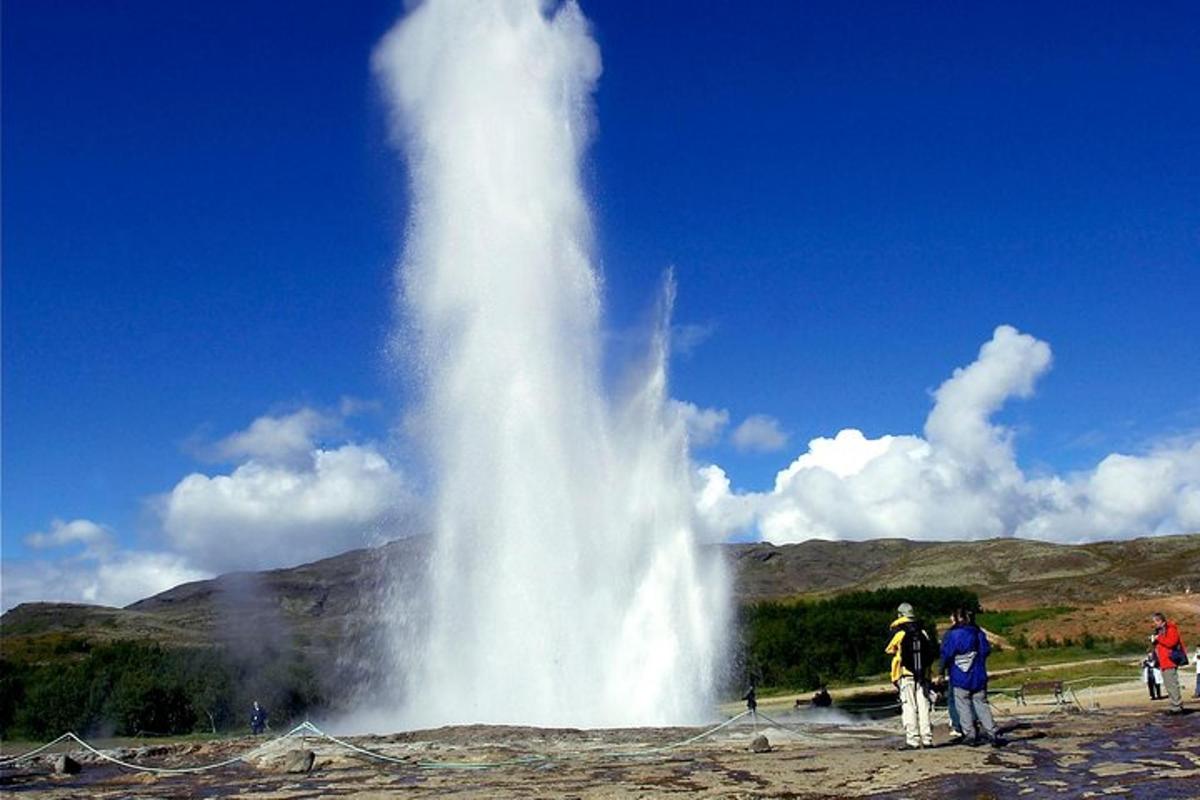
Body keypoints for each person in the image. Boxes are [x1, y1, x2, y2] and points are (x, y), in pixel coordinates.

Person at [941, 608, 1003, 748]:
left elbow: (946, 654)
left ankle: (970, 734)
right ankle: (992, 732)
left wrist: (942, 669)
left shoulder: (953, 635)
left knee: (963, 706)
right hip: (978, 674)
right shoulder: (978, 633)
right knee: (982, 704)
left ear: (958, 619)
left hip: (959, 676)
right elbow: (986, 651)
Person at [886, 601, 934, 749]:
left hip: (906, 674)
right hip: (922, 675)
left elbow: (889, 649)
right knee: (924, 706)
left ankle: (912, 740)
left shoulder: (899, 632)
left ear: (900, 615)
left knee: (909, 707)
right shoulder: (923, 631)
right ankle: (927, 739)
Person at [1150, 612, 1187, 714]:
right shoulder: (1160, 631)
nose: (1154, 624)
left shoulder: (1171, 629)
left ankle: (1177, 706)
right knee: (1168, 685)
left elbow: (1172, 642)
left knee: (1172, 684)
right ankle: (1175, 705)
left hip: (1170, 661)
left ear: (1160, 620)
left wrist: (1159, 638)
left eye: (1155, 622)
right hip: (1163, 661)